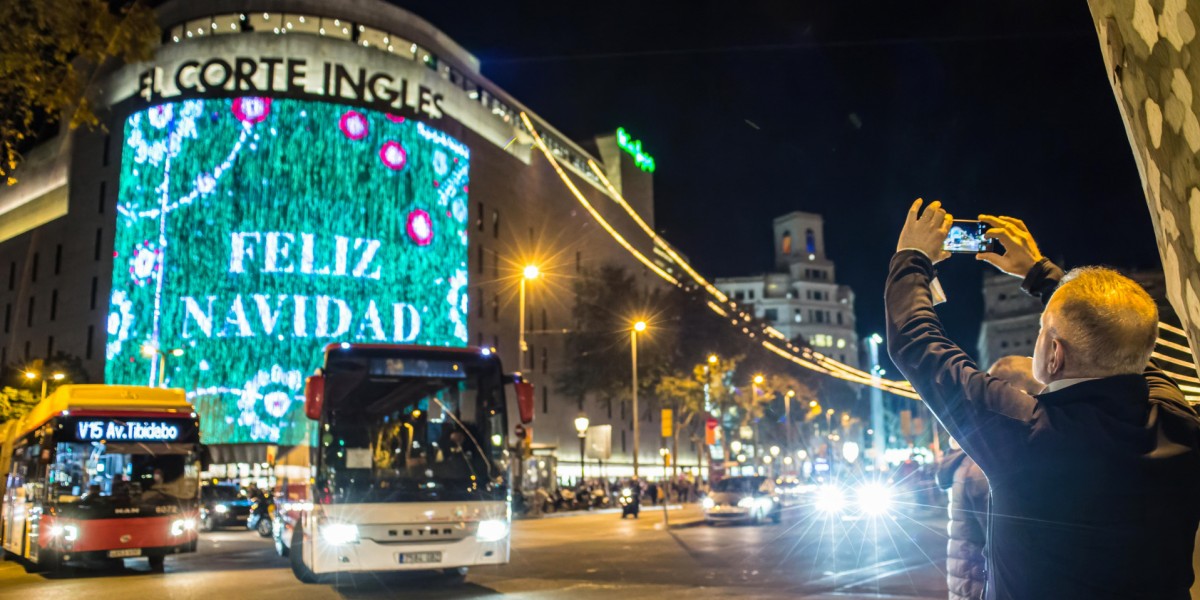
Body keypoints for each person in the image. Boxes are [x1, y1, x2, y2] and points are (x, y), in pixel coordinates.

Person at [886, 200, 1200, 600]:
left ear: (1054, 354)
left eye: (1041, 330)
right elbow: (1128, 349)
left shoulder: (1028, 433)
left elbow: (918, 343)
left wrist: (911, 258)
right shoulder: (1182, 424)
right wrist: (1039, 273)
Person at [936, 356, 1042, 600]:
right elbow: (1012, 546)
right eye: (1038, 397)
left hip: (974, 588)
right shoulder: (985, 466)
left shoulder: (980, 453)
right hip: (984, 591)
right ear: (1016, 397)